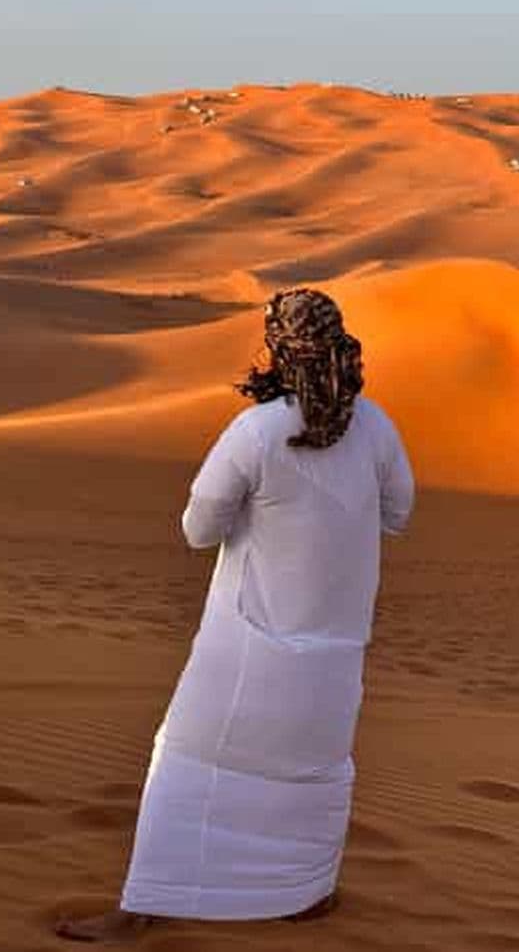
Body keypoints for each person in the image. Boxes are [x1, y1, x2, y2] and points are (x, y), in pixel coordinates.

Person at [56, 287, 415, 941]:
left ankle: (142, 906)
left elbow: (198, 529)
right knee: (313, 773)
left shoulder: (257, 431)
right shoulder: (375, 427)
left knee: (184, 761)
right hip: (336, 653)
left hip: (249, 643)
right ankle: (305, 894)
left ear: (280, 348)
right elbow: (398, 513)